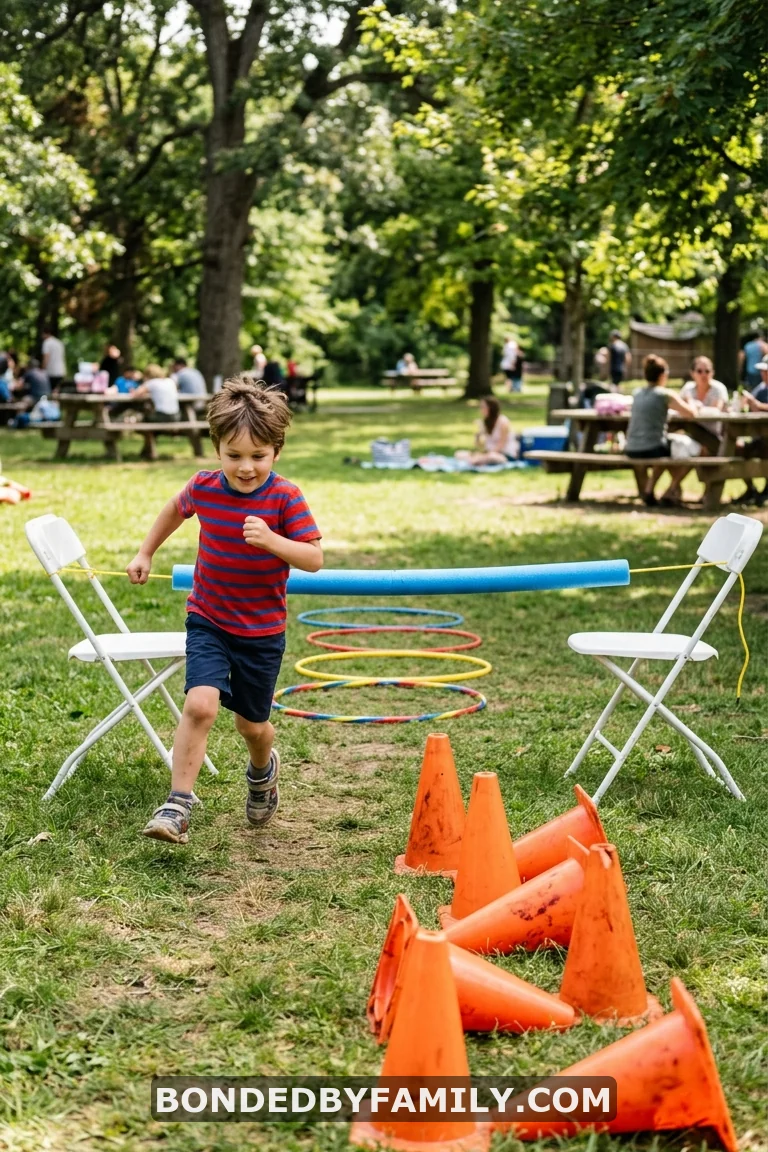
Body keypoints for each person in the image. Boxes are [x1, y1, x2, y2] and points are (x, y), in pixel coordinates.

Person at [126, 378, 323, 844]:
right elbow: (174, 509)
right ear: (216, 449)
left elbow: (314, 558)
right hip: (209, 619)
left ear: (276, 451)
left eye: (258, 456)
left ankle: (262, 769)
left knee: (252, 725)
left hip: (261, 632)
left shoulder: (285, 497)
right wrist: (145, 552)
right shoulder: (205, 487)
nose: (246, 467)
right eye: (234, 456)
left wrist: (273, 541)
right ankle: (177, 805)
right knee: (199, 705)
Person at [626, 354, 699, 507]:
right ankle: (670, 489)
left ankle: (652, 491)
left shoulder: (637, 393)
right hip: (652, 448)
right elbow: (691, 414)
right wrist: (692, 402)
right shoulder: (665, 394)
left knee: (669, 447)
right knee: (693, 450)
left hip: (631, 447)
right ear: (663, 375)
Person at [678, 355, 729, 454]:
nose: (704, 374)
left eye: (707, 371)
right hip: (690, 435)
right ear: (692, 373)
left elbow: (715, 411)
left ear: (712, 373)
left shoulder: (718, 388)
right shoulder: (688, 388)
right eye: (699, 371)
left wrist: (694, 406)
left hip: (713, 436)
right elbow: (679, 409)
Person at [455, 396, 518, 466]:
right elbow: (480, 446)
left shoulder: (503, 422)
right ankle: (479, 460)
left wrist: (486, 455)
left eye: (483, 407)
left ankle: (480, 460)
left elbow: (501, 444)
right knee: (459, 454)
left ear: (491, 408)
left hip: (504, 454)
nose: (481, 410)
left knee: (491, 457)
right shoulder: (485, 422)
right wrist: (477, 437)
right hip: (488, 453)